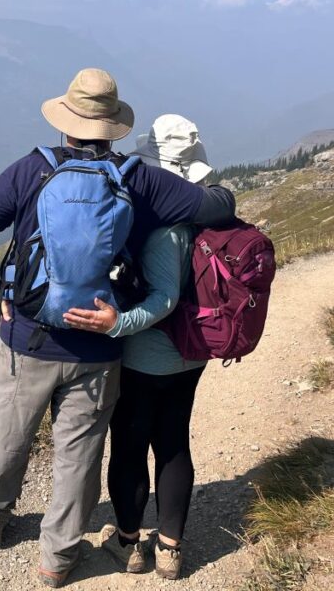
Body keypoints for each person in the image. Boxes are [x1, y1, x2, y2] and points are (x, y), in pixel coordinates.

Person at [0, 70, 235, 588]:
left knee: (7, 435)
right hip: (99, 345)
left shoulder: (31, 170)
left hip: (28, 338)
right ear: (113, 129)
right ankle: (57, 560)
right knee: (78, 452)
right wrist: (219, 188)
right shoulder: (140, 179)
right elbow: (215, 208)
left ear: (66, 124)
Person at [64, 114, 213, 580]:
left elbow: (164, 298)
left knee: (130, 446)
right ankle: (169, 549)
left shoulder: (164, 225)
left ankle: (129, 543)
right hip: (192, 351)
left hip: (149, 354)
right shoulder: (206, 209)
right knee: (173, 443)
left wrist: (116, 323)